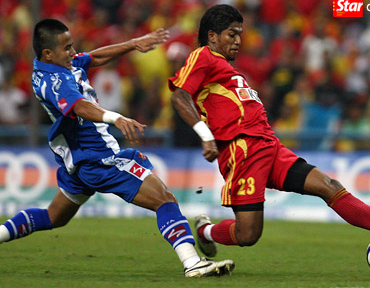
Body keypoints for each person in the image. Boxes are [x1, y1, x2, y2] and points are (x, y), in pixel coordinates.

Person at [169, 4, 370, 258]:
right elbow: (180, 95)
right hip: (242, 151)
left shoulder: (229, 69)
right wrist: (205, 135)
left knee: (329, 186)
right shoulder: (203, 56)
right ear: (212, 36)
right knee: (248, 234)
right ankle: (205, 231)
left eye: (240, 34)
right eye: (232, 34)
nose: (238, 40)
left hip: (268, 146)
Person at [0, 18, 234, 278]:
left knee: (54, 217)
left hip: (78, 162)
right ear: (48, 53)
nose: (72, 52)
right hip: (98, 159)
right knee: (164, 199)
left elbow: (94, 57)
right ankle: (192, 262)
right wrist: (116, 118)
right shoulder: (53, 81)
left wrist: (134, 44)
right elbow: (79, 107)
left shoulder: (58, 62)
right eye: (67, 48)